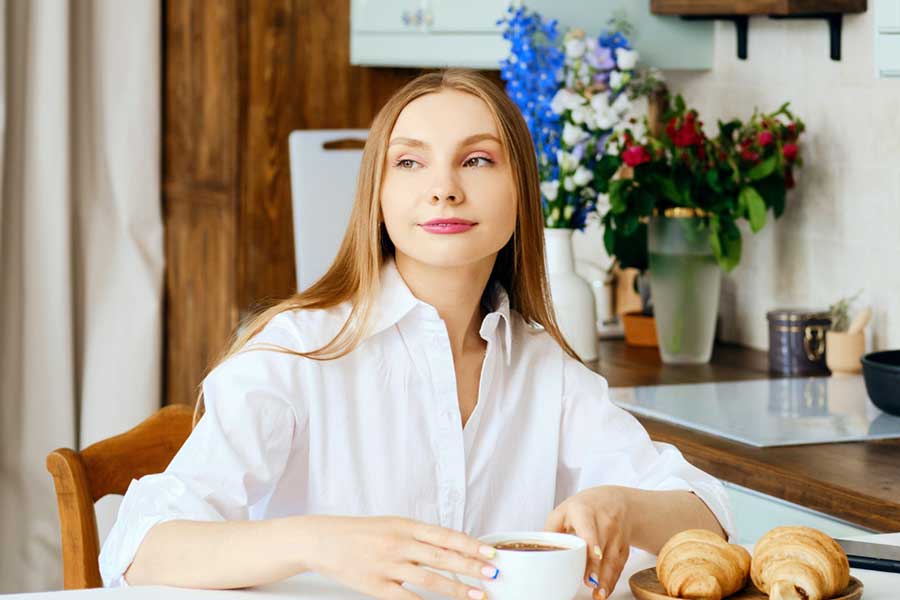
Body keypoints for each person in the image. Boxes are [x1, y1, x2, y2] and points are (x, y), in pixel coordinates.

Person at [99, 69, 732, 600]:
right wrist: (316, 541)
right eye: (409, 162)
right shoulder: (297, 352)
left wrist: (621, 505)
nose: (444, 189)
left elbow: (707, 516)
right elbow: (139, 548)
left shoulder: (547, 369)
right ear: (376, 196)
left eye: (477, 160)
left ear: (521, 194)